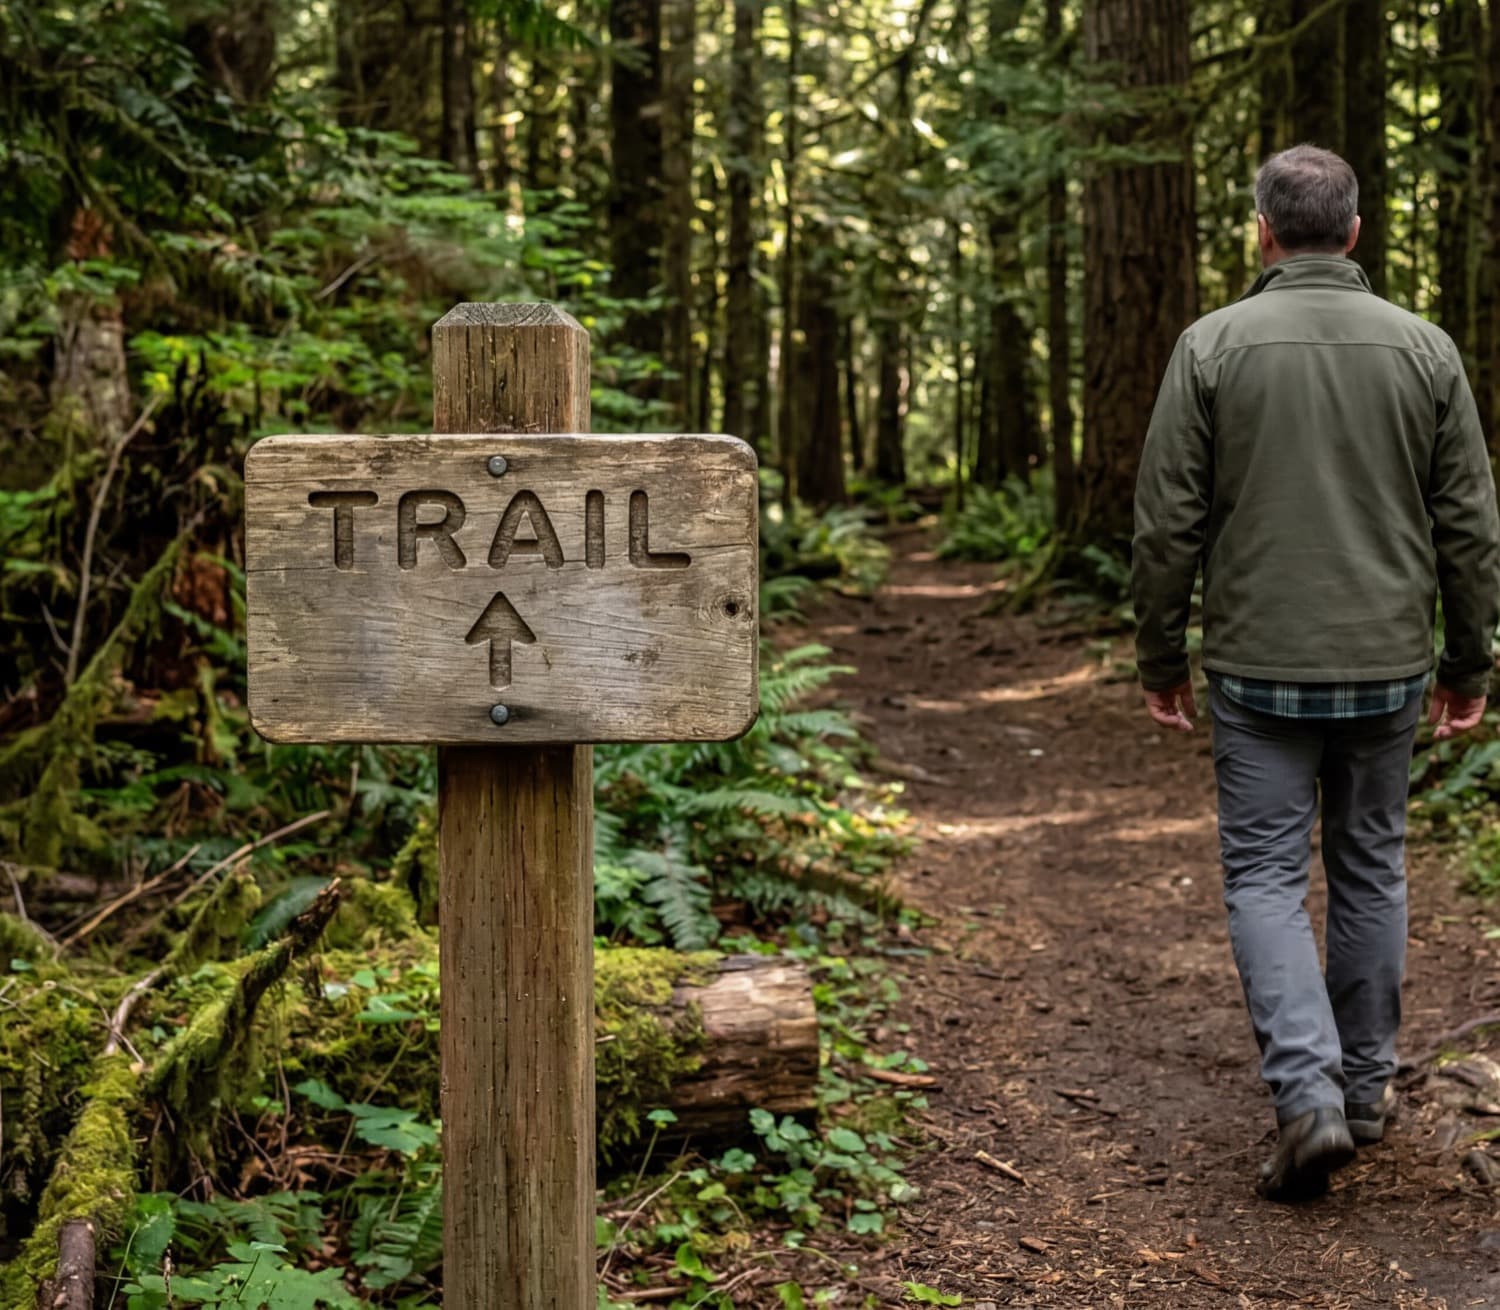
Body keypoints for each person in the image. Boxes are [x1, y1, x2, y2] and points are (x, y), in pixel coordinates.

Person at [1131, 144, 1500, 1202]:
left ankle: (1310, 1095)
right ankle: (1367, 1088)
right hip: (1387, 664)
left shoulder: (1210, 346)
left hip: (1256, 666)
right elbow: (1470, 526)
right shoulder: (1425, 350)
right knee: (1372, 865)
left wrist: (1161, 653)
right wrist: (1469, 660)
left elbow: (1167, 524)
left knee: (1263, 876)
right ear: (1353, 232)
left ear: (1261, 230)